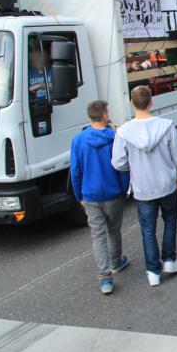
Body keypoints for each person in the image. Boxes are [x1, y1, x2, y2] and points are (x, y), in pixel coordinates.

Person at [112, 86, 177, 287]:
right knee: (170, 220)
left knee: (147, 229)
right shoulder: (166, 126)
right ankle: (169, 260)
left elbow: (118, 163)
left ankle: (153, 271)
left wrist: (133, 165)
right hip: (166, 183)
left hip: (142, 188)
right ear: (151, 102)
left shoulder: (124, 131)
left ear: (132, 103)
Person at [70, 100, 130, 294]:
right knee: (114, 231)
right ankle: (116, 261)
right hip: (112, 193)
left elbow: (76, 171)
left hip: (90, 194)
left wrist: (79, 193)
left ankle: (105, 280)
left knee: (98, 237)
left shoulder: (78, 140)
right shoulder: (114, 137)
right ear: (105, 115)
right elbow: (121, 167)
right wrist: (124, 189)